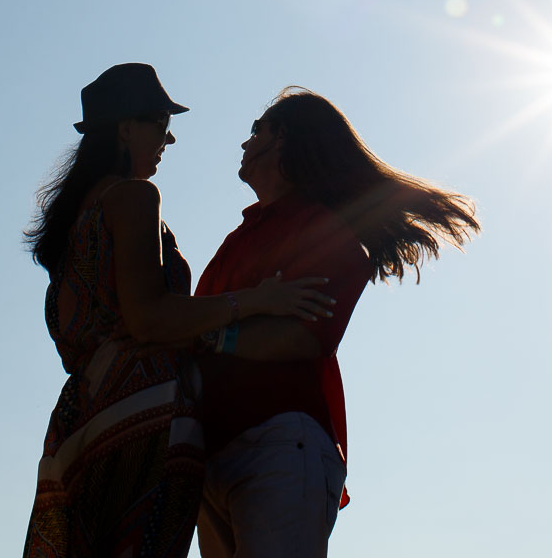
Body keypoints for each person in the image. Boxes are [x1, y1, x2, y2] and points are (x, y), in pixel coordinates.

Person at [24, 64, 334, 558]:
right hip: (140, 422)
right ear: (127, 127)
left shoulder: (75, 222)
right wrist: (254, 301)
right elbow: (150, 318)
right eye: (160, 126)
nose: (168, 140)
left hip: (81, 425)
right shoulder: (133, 196)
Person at [193, 88, 480, 558]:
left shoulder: (327, 233)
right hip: (213, 455)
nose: (244, 144)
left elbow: (301, 338)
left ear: (284, 140)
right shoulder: (239, 237)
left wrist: (207, 332)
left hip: (277, 446)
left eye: (256, 131)